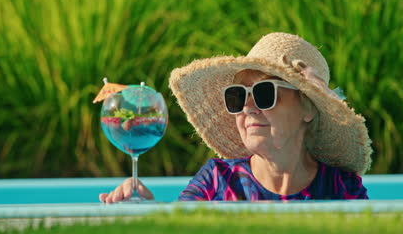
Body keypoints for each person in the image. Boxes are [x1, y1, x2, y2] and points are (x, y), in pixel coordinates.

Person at [99, 32, 373, 202]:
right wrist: (146, 210)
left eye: (265, 93)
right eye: (238, 96)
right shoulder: (217, 180)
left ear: (308, 109)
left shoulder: (341, 187)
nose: (248, 107)